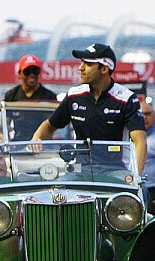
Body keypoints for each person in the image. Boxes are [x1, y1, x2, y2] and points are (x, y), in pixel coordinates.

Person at [31, 43, 147, 173]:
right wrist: (37, 138)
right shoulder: (74, 95)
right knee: (58, 190)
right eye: (81, 63)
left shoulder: (127, 99)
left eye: (88, 64)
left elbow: (140, 141)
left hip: (116, 171)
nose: (81, 68)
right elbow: (50, 125)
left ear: (104, 68)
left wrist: (135, 177)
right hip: (80, 168)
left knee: (141, 192)